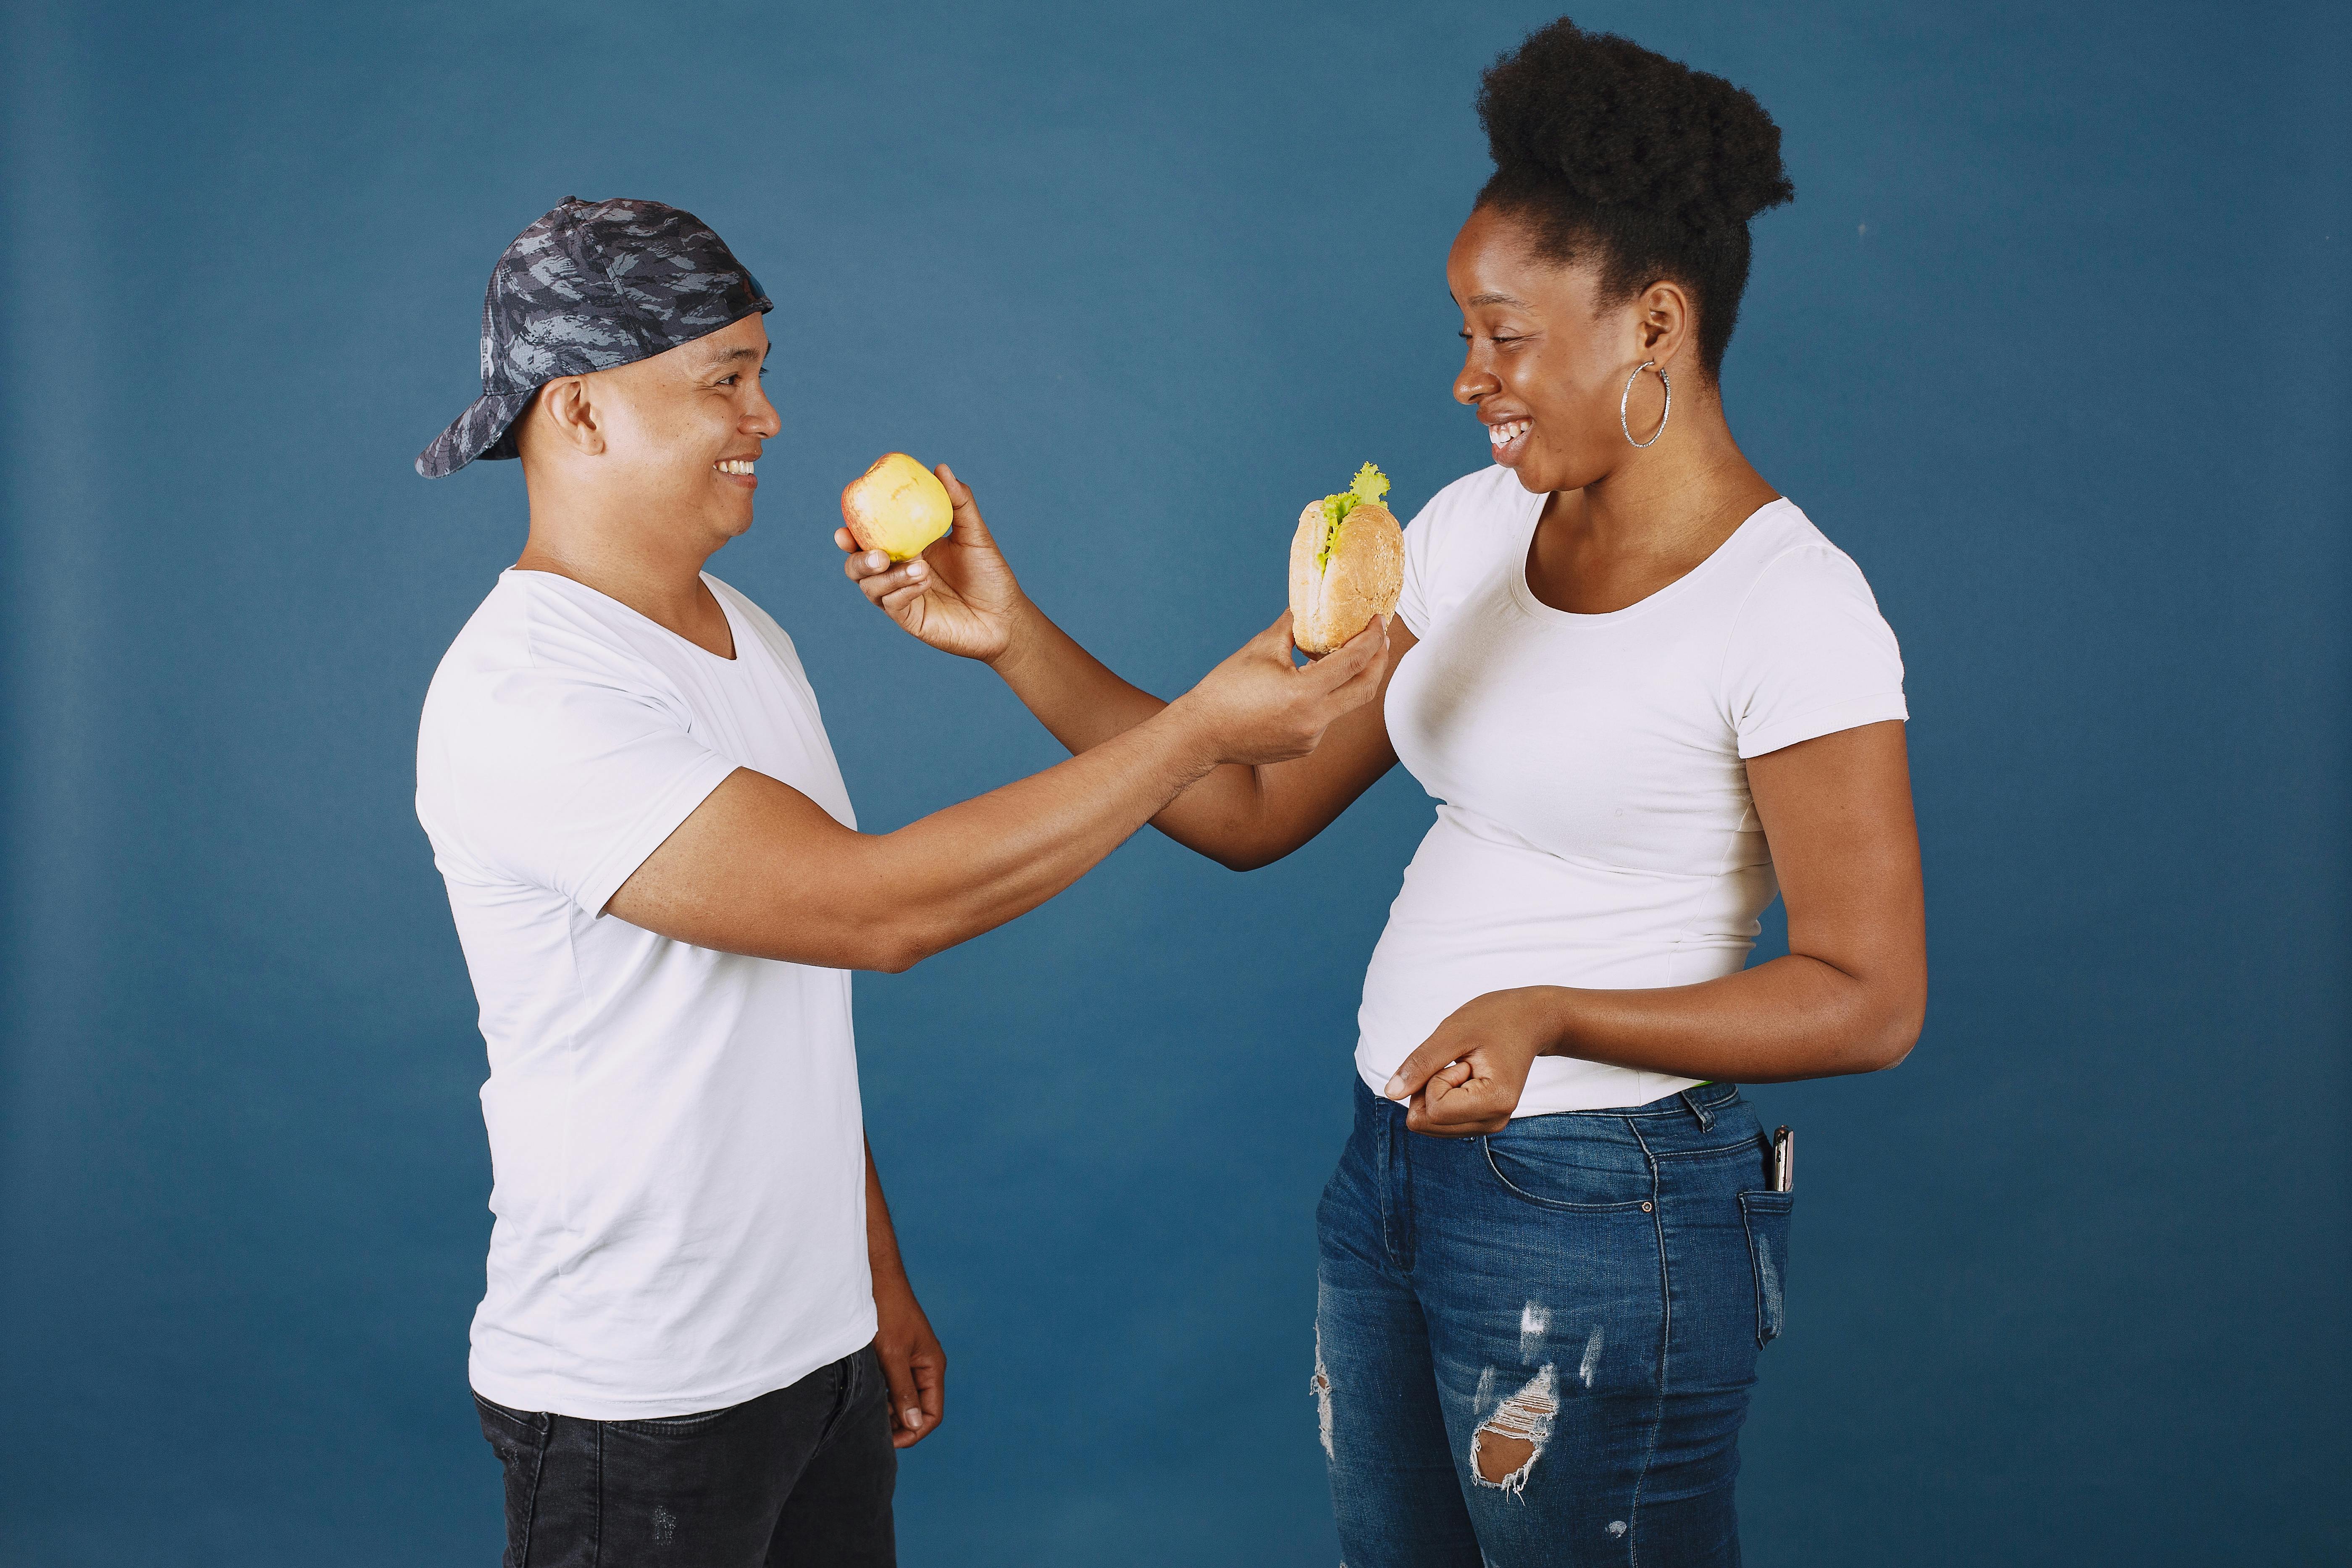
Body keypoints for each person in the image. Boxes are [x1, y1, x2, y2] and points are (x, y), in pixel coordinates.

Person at [838, 20, 1925, 1565]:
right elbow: (1248, 807)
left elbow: (1869, 998)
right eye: (1464, 332)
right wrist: (1010, 636)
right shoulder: (1473, 529)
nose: (1467, 377)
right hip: (1394, 1171)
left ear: (1655, 325)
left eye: (1506, 335)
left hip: (1607, 1206)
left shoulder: (1792, 608)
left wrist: (1554, 1011)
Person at [411, 197, 1387, 1568]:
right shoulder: (530, 694)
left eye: (761, 373)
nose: (769, 419)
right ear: (579, 415)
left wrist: (862, 1286)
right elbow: (874, 912)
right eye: (726, 381)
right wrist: (1196, 735)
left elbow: (783, 987)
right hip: (637, 1399)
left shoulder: (746, 637)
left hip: (812, 1362)